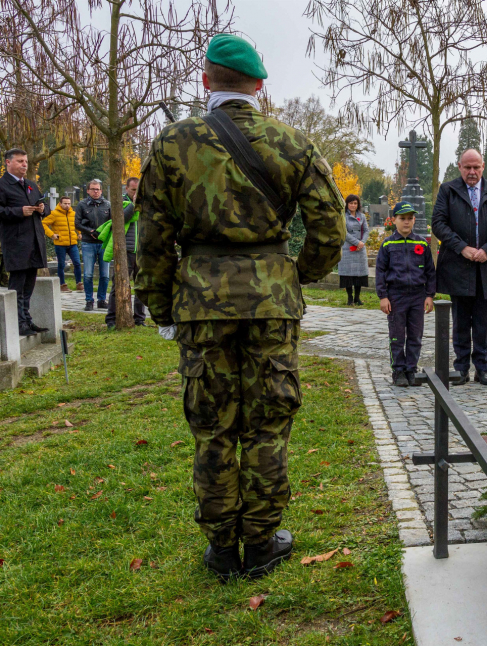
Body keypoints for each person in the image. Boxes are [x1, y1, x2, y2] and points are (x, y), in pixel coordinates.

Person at [134, 34, 346, 580]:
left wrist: (160, 308)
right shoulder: (292, 142)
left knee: (212, 426)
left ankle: (222, 548)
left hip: (201, 301)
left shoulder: (172, 143)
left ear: (206, 81)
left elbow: (153, 235)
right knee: (269, 423)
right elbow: (329, 227)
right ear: (260, 86)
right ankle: (263, 539)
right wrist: (296, 276)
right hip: (272, 300)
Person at [432, 148, 487, 386]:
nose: (472, 172)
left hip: (486, 266)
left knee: (482, 321)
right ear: (459, 166)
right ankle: (460, 368)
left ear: (483, 166)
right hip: (458, 266)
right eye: (467, 167)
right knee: (459, 320)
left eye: (476, 167)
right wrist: (462, 248)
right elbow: (438, 223)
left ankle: (482, 367)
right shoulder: (448, 190)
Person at [376, 202, 435, 387]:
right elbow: (380, 271)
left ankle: (411, 368)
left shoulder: (421, 243)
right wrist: (383, 296)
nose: (406, 222)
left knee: (416, 334)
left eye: (410, 218)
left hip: (417, 296)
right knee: (397, 335)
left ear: (414, 220)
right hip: (396, 296)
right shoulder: (388, 244)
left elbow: (430, 271)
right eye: (402, 219)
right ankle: (398, 370)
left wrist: (429, 295)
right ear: (394, 220)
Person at [0, 148, 49, 336]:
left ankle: (27, 320)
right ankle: (17, 323)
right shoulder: (2, 185)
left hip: (34, 241)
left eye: (26, 161)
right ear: (8, 163)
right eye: (20, 161)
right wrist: (19, 211)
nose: (24, 165)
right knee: (17, 287)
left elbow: (46, 210)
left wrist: (42, 209)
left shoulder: (31, 184)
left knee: (29, 287)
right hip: (16, 243)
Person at [105, 177, 147, 329]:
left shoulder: (145, 203)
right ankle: (111, 318)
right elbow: (120, 219)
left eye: (138, 190)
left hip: (140, 251)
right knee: (118, 285)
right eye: (133, 190)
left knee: (141, 286)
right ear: (127, 189)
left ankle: (140, 318)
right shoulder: (120, 202)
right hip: (125, 251)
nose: (136, 193)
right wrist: (134, 204)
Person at [75, 179, 112, 310]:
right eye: (93, 189)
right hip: (88, 243)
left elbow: (112, 222)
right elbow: (77, 223)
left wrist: (103, 233)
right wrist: (89, 231)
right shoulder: (82, 205)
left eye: (98, 189)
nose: (96, 192)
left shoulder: (108, 204)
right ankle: (89, 300)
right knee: (88, 274)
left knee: (105, 275)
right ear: (88, 190)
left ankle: (102, 299)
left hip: (103, 243)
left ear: (101, 190)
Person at [43, 195, 83, 293]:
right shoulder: (54, 214)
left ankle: (79, 283)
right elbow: (43, 223)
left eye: (69, 203)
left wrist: (80, 233)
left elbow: (77, 224)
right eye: (65, 203)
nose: (67, 205)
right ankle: (62, 285)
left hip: (72, 243)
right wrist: (52, 234)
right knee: (61, 265)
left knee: (77, 263)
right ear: (60, 203)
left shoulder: (73, 214)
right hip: (60, 243)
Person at [338, 194, 369, 306]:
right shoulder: (343, 216)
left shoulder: (362, 216)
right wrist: (357, 242)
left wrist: (362, 242)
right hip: (348, 249)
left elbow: (366, 230)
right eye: (351, 203)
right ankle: (350, 298)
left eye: (355, 203)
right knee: (348, 275)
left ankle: (357, 298)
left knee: (359, 274)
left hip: (359, 249)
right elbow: (344, 232)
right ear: (347, 204)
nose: (353, 205)